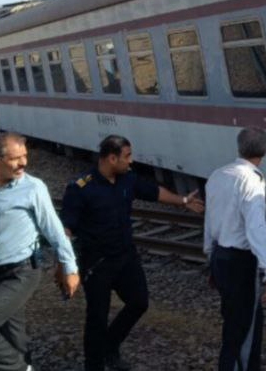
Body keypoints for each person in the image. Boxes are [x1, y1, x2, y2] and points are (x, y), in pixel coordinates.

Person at [61, 134, 205, 371]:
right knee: (97, 316)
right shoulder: (80, 188)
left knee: (139, 302)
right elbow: (66, 227)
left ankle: (109, 345)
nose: (132, 161)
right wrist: (65, 265)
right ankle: (94, 365)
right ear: (111, 158)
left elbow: (153, 192)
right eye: (127, 156)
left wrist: (183, 201)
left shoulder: (127, 179)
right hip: (97, 263)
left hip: (125, 257)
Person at [0, 132, 80, 371]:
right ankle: (23, 365)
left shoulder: (33, 187)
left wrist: (70, 267)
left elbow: (54, 230)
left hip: (22, 272)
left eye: (25, 156)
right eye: (16, 158)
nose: (24, 163)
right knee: (14, 342)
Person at [203, 127, 266, 371]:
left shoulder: (218, 174)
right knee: (243, 330)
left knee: (234, 321)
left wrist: (210, 257)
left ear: (239, 147)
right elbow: (256, 229)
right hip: (239, 261)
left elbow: (209, 219)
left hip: (220, 256)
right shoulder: (252, 180)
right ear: (265, 151)